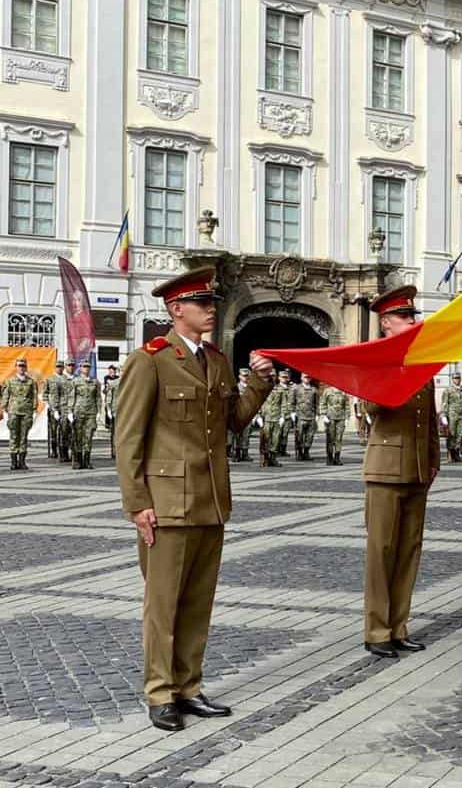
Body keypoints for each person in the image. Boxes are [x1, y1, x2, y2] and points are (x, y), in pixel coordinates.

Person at [115, 266, 273, 731]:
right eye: (202, 303)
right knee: (163, 605)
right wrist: (137, 503)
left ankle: (189, 685)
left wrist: (259, 383)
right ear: (175, 309)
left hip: (210, 500)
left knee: (198, 602)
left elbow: (233, 422)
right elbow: (127, 440)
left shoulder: (218, 361)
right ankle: (160, 692)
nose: (210, 309)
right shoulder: (150, 360)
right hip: (165, 503)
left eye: (212, 303)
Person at [362, 285, 439, 659]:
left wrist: (434, 460)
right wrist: (393, 367)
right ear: (386, 323)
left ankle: (398, 626)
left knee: (409, 551)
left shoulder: (424, 359)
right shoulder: (378, 361)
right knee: (382, 552)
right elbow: (371, 407)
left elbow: (429, 419)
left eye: (412, 316)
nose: (412, 321)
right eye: (404, 317)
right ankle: (376, 630)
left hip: (417, 469)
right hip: (385, 468)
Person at [2, 357, 37, 470]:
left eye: (23, 366)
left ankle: (22, 461)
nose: (21, 368)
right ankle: (13, 461)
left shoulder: (31, 382)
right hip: (14, 411)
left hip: (26, 412)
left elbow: (34, 397)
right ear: (16, 367)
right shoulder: (10, 381)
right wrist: (4, 409)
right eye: (19, 366)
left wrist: (34, 410)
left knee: (24, 436)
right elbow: (5, 396)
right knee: (14, 435)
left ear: (26, 367)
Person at [70, 360, 101, 470]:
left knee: (88, 436)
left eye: (88, 367)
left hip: (91, 412)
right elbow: (71, 396)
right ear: (80, 368)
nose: (86, 369)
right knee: (78, 436)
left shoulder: (95, 382)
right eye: (84, 367)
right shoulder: (75, 381)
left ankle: (87, 460)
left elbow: (98, 397)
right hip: (78, 411)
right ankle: (78, 461)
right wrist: (70, 411)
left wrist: (99, 412)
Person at [440, 372, 462, 463]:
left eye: (458, 378)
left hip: (461, 415)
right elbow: (444, 403)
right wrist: (443, 415)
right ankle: (450, 454)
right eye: (455, 378)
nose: (457, 380)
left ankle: (456, 454)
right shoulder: (448, 390)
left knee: (459, 435)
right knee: (451, 435)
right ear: (452, 379)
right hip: (451, 415)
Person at [320, 384, 349, 465]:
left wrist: (347, 417)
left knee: (339, 438)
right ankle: (329, 458)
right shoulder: (327, 391)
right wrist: (324, 415)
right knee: (330, 438)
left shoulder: (343, 392)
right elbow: (323, 403)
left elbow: (346, 405)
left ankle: (337, 457)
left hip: (341, 418)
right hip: (330, 418)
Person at [292, 372, 318, 461]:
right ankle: (299, 453)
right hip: (300, 416)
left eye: (308, 377)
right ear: (301, 378)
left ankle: (306, 452)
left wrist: (317, 414)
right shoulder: (296, 388)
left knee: (309, 436)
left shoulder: (314, 389)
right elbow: (292, 401)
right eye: (305, 377)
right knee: (299, 436)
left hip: (310, 416)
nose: (307, 379)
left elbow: (316, 403)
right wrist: (292, 412)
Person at [229, 368, 254, 462]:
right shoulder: (236, 388)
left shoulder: (251, 388)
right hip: (238, 415)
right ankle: (236, 453)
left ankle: (245, 453)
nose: (246, 378)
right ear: (240, 376)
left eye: (247, 376)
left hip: (248, 414)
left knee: (246, 435)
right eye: (244, 376)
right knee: (236, 435)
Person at [43, 360, 65, 460]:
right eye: (57, 366)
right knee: (53, 430)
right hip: (53, 408)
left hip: (64, 407)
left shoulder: (66, 379)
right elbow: (45, 393)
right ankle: (54, 450)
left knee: (64, 430)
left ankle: (63, 450)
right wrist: (48, 404)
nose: (59, 368)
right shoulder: (49, 379)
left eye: (60, 366)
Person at [59, 359, 77, 462]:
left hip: (75, 409)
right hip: (64, 408)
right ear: (65, 366)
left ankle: (74, 454)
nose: (71, 367)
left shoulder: (77, 379)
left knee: (74, 433)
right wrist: (56, 409)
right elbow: (55, 394)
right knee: (64, 432)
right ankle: (64, 454)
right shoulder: (61, 380)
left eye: (72, 365)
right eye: (69, 365)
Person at [104, 367, 120, 460]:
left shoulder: (130, 383)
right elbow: (109, 396)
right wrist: (109, 409)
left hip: (126, 411)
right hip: (115, 410)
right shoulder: (113, 383)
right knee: (114, 433)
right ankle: (114, 452)